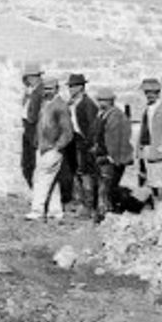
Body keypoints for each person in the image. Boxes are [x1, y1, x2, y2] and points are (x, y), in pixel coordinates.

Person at [28, 78, 73, 221]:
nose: (47, 92)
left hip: (52, 148)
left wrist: (58, 146)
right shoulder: (44, 104)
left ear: (57, 89)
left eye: (50, 89)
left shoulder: (60, 106)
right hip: (43, 147)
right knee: (51, 180)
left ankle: (37, 211)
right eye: (45, 89)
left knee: (41, 178)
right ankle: (55, 211)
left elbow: (67, 131)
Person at [91, 86, 138, 215]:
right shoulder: (102, 115)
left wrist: (112, 157)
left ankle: (107, 214)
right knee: (105, 187)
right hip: (102, 156)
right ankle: (107, 212)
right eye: (100, 100)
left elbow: (116, 140)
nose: (101, 103)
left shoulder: (116, 116)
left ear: (111, 101)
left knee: (106, 188)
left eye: (105, 100)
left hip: (111, 157)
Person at [63, 73, 99, 216]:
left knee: (85, 173)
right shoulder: (73, 102)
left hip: (84, 141)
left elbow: (92, 126)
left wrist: (91, 144)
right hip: (74, 140)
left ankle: (88, 205)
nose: (71, 89)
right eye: (70, 86)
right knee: (76, 171)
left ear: (81, 87)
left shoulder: (87, 104)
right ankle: (78, 201)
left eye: (73, 86)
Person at [19, 66, 47, 188]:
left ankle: (35, 189)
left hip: (33, 128)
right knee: (27, 162)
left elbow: (34, 115)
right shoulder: (32, 91)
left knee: (31, 162)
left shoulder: (39, 91)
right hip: (28, 128)